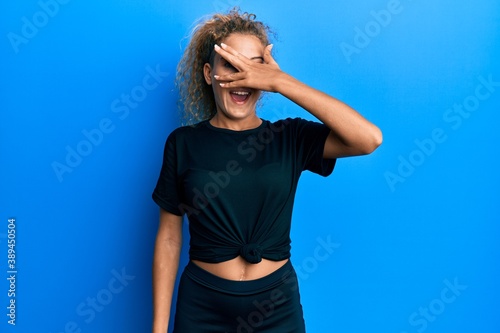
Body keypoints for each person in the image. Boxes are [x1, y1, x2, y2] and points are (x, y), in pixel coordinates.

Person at [152, 9, 382, 333]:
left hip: (276, 307)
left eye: (252, 67)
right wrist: (158, 329)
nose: (242, 77)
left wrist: (280, 82)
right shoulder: (183, 143)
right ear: (208, 73)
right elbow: (169, 237)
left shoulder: (290, 137)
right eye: (229, 65)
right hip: (202, 306)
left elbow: (368, 139)